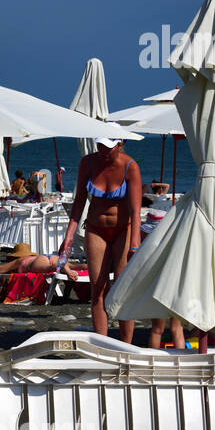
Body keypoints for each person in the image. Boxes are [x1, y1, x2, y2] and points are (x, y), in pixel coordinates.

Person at [58, 137, 142, 344]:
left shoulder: (130, 166)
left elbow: (135, 210)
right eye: (100, 146)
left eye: (108, 148)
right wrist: (68, 237)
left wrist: (134, 243)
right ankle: (102, 345)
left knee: (122, 287)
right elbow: (78, 202)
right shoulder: (88, 163)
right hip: (95, 229)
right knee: (98, 288)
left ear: (120, 145)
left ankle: (126, 345)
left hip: (124, 229)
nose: (103, 151)